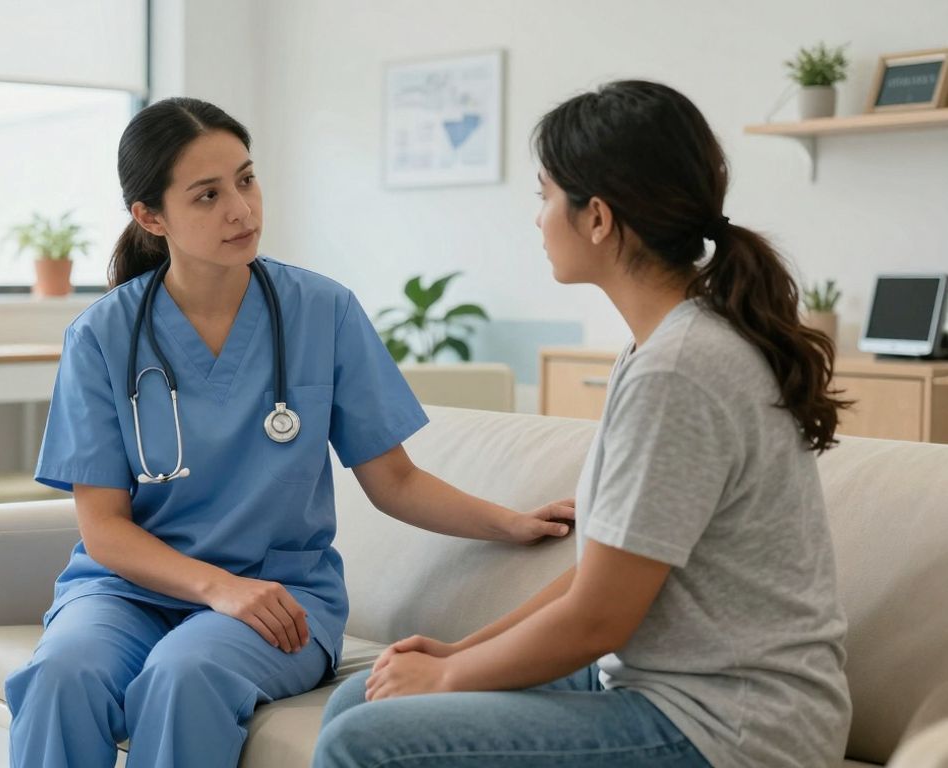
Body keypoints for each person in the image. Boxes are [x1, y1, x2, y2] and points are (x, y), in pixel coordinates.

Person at [3, 96, 575, 768]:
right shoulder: (102, 337)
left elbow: (394, 480)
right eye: (208, 195)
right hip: (127, 592)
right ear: (151, 217)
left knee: (185, 675)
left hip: (282, 597)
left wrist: (507, 523)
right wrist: (217, 586)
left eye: (246, 180)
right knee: (61, 674)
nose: (241, 210)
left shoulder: (321, 312)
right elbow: (104, 528)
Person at [313, 80, 853, 768]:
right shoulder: (663, 344)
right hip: (671, 682)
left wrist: (447, 678)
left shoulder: (680, 369)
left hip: (733, 727)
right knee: (360, 701)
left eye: (544, 196)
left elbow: (599, 618)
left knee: (365, 743)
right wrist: (460, 651)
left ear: (596, 217)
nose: (537, 219)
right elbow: (600, 578)